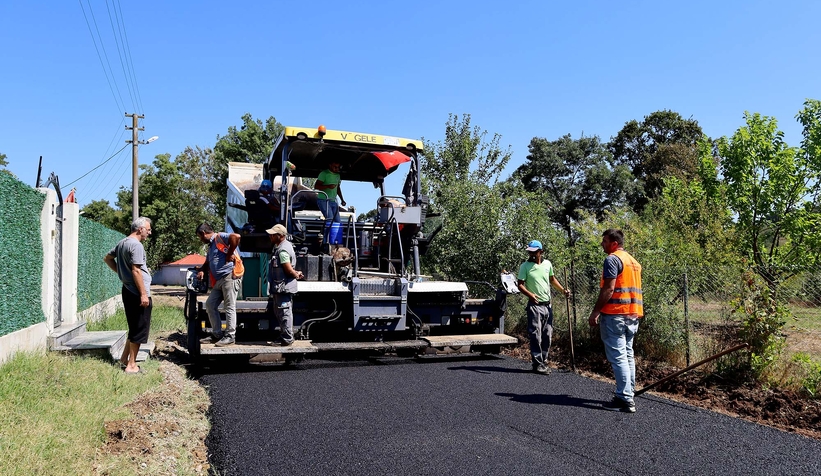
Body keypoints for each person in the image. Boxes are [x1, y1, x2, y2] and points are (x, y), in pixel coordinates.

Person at [588, 229, 644, 413]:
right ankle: (628, 393)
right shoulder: (633, 262)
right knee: (627, 355)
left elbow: (609, 289)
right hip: (632, 315)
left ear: (614, 243)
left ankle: (624, 399)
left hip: (615, 315)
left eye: (604, 241)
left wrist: (596, 311)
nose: (602, 244)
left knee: (619, 357)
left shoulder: (612, 259)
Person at [104, 217, 153, 374]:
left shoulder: (122, 243)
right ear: (140, 229)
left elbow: (107, 258)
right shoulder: (136, 245)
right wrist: (143, 294)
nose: (149, 233)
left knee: (134, 328)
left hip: (128, 290)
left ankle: (125, 359)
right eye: (148, 230)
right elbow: (136, 270)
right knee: (139, 328)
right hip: (137, 292)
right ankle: (132, 366)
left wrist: (121, 273)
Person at [517, 239, 571, 375]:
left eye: (534, 252)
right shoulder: (525, 266)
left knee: (547, 334)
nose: (531, 254)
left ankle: (544, 360)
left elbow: (552, 279)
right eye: (530, 252)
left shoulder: (547, 264)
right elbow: (520, 284)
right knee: (536, 336)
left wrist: (563, 291)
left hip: (547, 306)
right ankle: (537, 363)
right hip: (535, 306)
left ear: (541, 252)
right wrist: (530, 295)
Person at [196, 223, 242, 347]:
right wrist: (202, 270)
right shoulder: (211, 246)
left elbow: (236, 236)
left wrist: (230, 253)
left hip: (229, 277)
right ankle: (217, 334)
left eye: (200, 237)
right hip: (219, 280)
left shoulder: (219, 237)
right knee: (210, 305)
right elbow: (208, 261)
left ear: (203, 233)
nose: (200, 240)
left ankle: (230, 336)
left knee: (229, 306)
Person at [265, 224, 304, 346]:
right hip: (280, 286)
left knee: (284, 313)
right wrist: (296, 273)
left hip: (283, 287)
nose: (270, 236)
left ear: (280, 235)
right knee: (281, 312)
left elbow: (288, 269)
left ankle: (287, 338)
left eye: (273, 234)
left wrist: (295, 274)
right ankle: (284, 336)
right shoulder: (281, 247)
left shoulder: (282, 250)